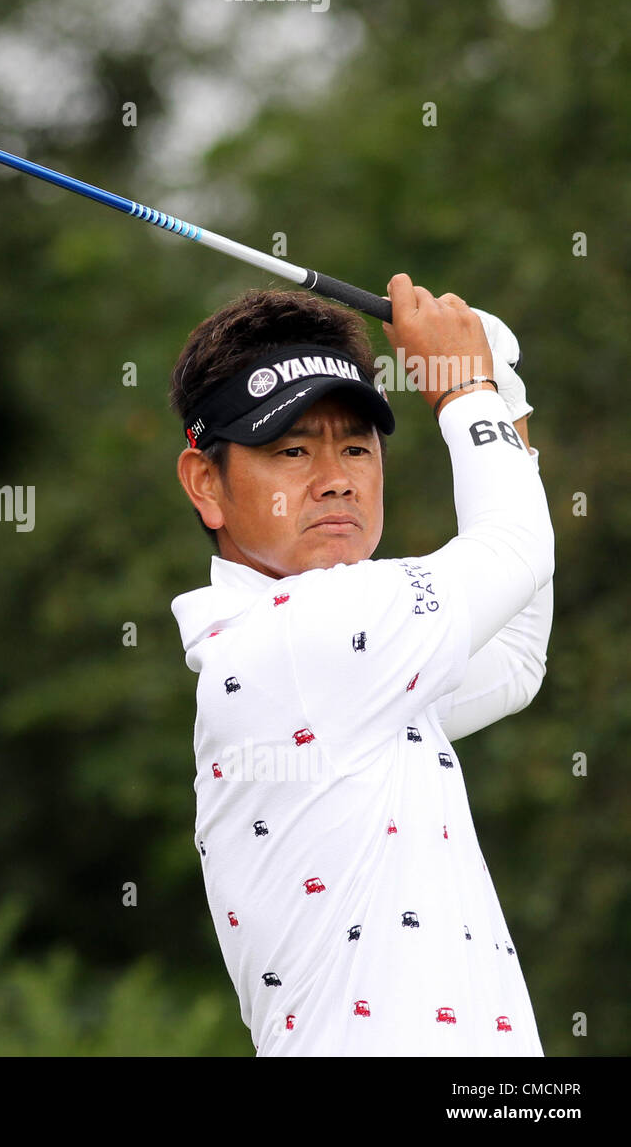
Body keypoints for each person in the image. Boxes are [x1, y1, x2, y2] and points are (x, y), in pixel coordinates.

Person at [168, 273, 553, 1056]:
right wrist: (467, 387)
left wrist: (498, 394)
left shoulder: (356, 663)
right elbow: (517, 548)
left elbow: (515, 655)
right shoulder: (306, 637)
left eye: (354, 445)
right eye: (291, 449)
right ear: (207, 484)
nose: (336, 476)